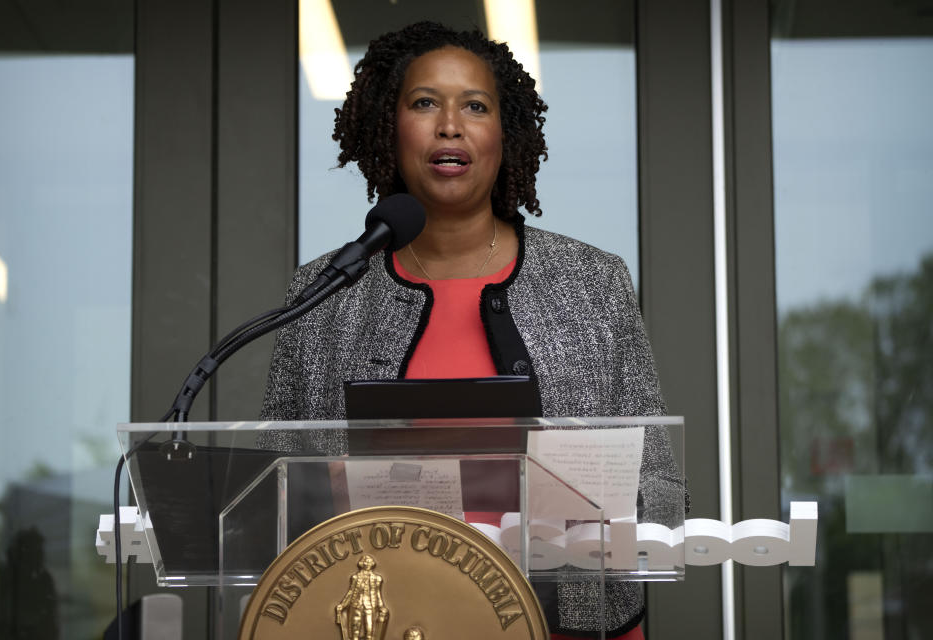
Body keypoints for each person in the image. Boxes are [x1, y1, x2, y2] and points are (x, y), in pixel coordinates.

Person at [260, 21, 684, 640]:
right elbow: (280, 490)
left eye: (475, 106)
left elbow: (660, 483)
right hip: (383, 616)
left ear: (503, 136)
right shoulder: (325, 292)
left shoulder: (593, 282)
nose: (449, 125)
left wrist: (595, 510)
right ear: (389, 127)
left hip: (564, 623)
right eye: (424, 102)